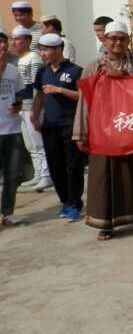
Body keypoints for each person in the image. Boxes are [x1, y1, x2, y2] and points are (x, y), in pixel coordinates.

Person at [73, 21, 133, 240]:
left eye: (122, 38)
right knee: (104, 177)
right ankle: (105, 224)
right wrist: (81, 132)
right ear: (105, 39)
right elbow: (84, 101)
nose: (118, 43)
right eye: (113, 38)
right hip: (102, 131)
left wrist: (122, 76)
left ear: (128, 40)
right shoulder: (93, 67)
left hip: (130, 127)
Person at [31, 33, 85, 222]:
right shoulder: (42, 72)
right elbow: (39, 95)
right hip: (50, 125)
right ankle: (65, 202)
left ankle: (76, 203)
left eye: (46, 50)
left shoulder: (76, 71)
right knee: (55, 166)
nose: (42, 54)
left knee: (73, 166)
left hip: (70, 124)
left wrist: (60, 90)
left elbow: (83, 96)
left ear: (59, 49)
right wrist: (34, 115)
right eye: (41, 50)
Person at [11, 26, 52, 192]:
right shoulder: (19, 60)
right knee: (30, 144)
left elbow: (36, 87)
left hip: (32, 106)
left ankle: (46, 175)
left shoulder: (34, 58)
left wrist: (35, 110)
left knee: (39, 142)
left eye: (17, 39)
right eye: (12, 39)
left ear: (27, 40)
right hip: (23, 106)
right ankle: (38, 173)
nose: (13, 43)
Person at [0, 28, 25, 226]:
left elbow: (19, 95)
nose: (2, 46)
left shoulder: (13, 70)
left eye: (4, 42)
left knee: (13, 173)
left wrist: (18, 105)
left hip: (13, 129)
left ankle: (7, 213)